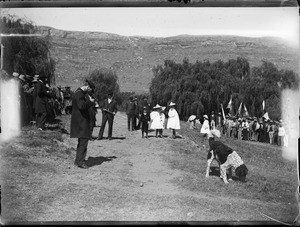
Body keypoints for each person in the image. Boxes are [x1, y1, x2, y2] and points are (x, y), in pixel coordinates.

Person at [70, 80, 95, 169]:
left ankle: (78, 161)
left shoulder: (78, 93)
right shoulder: (79, 94)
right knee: (83, 142)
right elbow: (81, 106)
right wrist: (90, 102)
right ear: (87, 87)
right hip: (81, 122)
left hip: (80, 121)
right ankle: (80, 161)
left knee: (81, 142)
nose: (89, 92)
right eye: (89, 90)